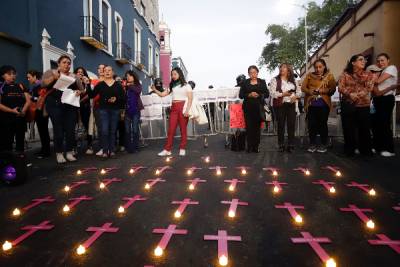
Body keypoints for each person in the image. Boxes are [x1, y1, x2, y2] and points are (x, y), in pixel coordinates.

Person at [41, 55, 84, 163]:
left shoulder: (74, 76)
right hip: (54, 105)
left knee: (70, 130)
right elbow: (43, 84)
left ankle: (69, 152)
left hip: (69, 105)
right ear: (58, 63)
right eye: (64, 62)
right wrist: (54, 77)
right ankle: (59, 153)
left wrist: (79, 92)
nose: (67, 65)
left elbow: (82, 90)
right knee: (58, 130)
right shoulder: (51, 72)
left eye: (69, 63)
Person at [338, 54, 375, 157]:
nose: (364, 61)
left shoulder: (369, 74)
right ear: (353, 62)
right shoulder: (345, 74)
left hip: (363, 105)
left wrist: (357, 95)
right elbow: (340, 87)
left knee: (364, 129)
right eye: (360, 60)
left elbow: (369, 87)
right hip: (348, 105)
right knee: (348, 129)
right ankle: (349, 150)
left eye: (364, 60)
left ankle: (366, 151)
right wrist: (350, 94)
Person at [152, 67, 193, 156]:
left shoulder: (187, 85)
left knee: (183, 129)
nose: (173, 76)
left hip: (183, 107)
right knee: (171, 129)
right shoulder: (172, 85)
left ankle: (182, 148)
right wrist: (155, 90)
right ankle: (167, 149)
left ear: (179, 74)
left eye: (175, 74)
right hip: (173, 108)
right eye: (172, 74)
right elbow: (163, 94)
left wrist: (187, 110)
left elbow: (190, 99)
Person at [87, 65, 126, 158]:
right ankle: (105, 151)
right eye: (105, 70)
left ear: (112, 72)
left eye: (109, 70)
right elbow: (91, 95)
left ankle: (111, 151)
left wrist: (116, 99)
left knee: (112, 131)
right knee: (104, 131)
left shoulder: (118, 85)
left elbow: (124, 98)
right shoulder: (100, 84)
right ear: (103, 73)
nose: (107, 72)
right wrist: (88, 85)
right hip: (103, 110)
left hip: (115, 110)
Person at [301, 59, 336, 153]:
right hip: (311, 104)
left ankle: (323, 144)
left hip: (324, 104)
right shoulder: (309, 76)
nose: (318, 69)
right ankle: (312, 144)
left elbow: (332, 89)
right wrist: (310, 91)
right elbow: (303, 87)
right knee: (312, 124)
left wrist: (322, 91)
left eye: (320, 67)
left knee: (322, 124)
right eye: (316, 67)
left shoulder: (329, 76)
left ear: (324, 66)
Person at [270, 63, 301, 152]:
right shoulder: (275, 80)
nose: (281, 69)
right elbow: (272, 93)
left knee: (291, 125)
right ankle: (281, 144)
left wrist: (295, 97)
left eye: (284, 67)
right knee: (281, 125)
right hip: (280, 105)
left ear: (288, 70)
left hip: (291, 104)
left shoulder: (294, 80)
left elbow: (299, 93)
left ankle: (291, 144)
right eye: (280, 67)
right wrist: (283, 94)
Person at [0, 65, 31, 154]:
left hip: (20, 118)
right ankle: (8, 162)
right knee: (6, 143)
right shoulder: (1, 87)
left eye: (14, 74)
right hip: (6, 120)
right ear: (3, 75)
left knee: (20, 143)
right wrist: (12, 111)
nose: (12, 76)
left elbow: (28, 101)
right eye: (9, 74)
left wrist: (23, 111)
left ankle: (20, 161)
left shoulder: (20, 86)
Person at [372, 53, 398, 157]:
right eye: (378, 61)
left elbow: (377, 82)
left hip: (387, 99)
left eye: (382, 60)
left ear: (388, 60)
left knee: (385, 123)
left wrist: (372, 78)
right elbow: (376, 91)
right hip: (378, 99)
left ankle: (389, 149)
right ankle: (378, 147)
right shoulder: (380, 72)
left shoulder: (391, 68)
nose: (380, 62)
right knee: (377, 124)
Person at [239, 65, 269, 153]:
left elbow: (267, 94)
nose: (253, 74)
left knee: (257, 128)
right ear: (248, 74)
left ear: (257, 72)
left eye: (254, 72)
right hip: (248, 108)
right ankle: (249, 146)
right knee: (249, 128)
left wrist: (259, 95)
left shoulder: (262, 82)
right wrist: (249, 95)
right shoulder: (245, 82)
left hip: (259, 108)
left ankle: (256, 146)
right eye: (251, 73)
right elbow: (241, 95)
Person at [27, 70, 51, 158]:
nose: (28, 79)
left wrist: (31, 97)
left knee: (43, 131)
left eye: (29, 77)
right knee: (42, 131)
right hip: (38, 111)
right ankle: (43, 149)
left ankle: (46, 152)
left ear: (35, 76)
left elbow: (41, 97)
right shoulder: (35, 86)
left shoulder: (41, 85)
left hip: (42, 111)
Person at [74, 67, 93, 155]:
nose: (80, 73)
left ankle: (90, 146)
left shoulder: (86, 82)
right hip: (74, 107)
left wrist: (87, 83)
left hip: (84, 107)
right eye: (78, 72)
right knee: (74, 127)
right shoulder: (73, 82)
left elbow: (90, 94)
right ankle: (74, 147)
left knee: (87, 126)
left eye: (82, 72)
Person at [123, 70, 143, 153]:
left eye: (129, 76)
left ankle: (136, 147)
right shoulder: (125, 87)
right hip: (127, 110)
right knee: (127, 130)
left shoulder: (138, 85)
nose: (128, 77)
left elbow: (137, 91)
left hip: (135, 110)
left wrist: (129, 85)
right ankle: (128, 148)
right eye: (127, 76)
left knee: (135, 130)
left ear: (134, 77)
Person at [93, 64, 105, 156]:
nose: (101, 70)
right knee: (100, 128)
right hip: (97, 107)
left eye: (103, 68)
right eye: (99, 68)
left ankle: (108, 147)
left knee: (107, 128)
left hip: (106, 107)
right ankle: (102, 147)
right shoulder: (93, 81)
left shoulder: (108, 81)